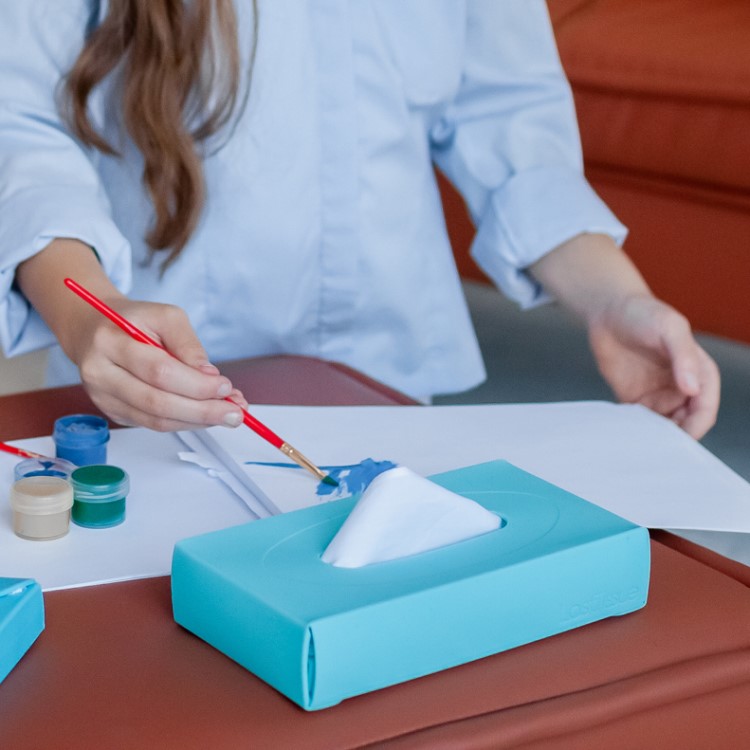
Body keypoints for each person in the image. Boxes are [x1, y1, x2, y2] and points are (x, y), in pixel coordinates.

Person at [0, 0, 719, 438]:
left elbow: (507, 119)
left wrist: (615, 299)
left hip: (388, 382)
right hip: (153, 392)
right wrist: (90, 315)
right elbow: (20, 122)